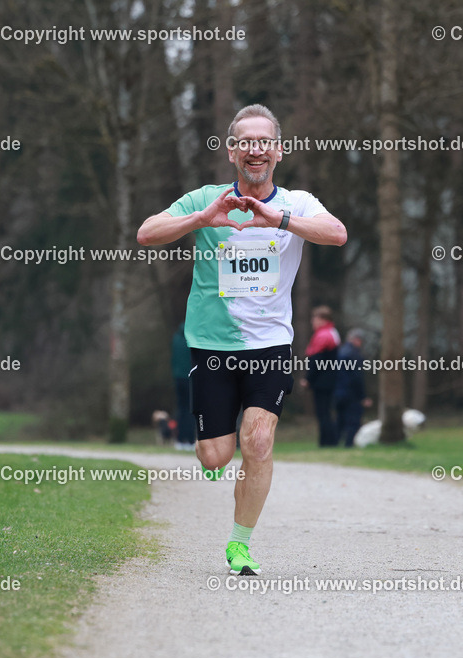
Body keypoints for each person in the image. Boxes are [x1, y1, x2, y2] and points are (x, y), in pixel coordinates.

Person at [137, 104, 346, 575]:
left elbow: (337, 233)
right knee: (216, 457)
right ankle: (209, 446)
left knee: (259, 440)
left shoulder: (296, 204)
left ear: (278, 151)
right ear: (232, 152)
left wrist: (280, 222)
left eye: (263, 141)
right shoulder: (206, 200)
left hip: (270, 345)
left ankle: (240, 544)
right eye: (244, 141)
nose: (255, 149)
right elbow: (147, 234)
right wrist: (203, 218)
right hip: (212, 345)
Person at [303, 306, 340, 447]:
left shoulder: (323, 335)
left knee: (322, 412)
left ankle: (326, 442)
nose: (313, 321)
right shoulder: (333, 332)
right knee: (327, 411)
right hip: (330, 379)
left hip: (322, 381)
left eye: (315, 318)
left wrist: (308, 378)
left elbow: (316, 359)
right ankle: (331, 440)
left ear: (323, 320)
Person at [334, 328, 371, 447]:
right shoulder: (355, 355)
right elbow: (357, 378)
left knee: (340, 420)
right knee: (353, 421)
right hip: (352, 394)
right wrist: (363, 396)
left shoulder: (340, 352)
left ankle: (335, 443)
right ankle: (349, 444)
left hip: (338, 392)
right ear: (357, 340)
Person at [171, 322, 196, 449]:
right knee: (190, 409)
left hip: (178, 378)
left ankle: (180, 440)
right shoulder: (192, 339)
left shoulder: (176, 338)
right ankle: (190, 440)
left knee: (181, 409)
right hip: (189, 377)